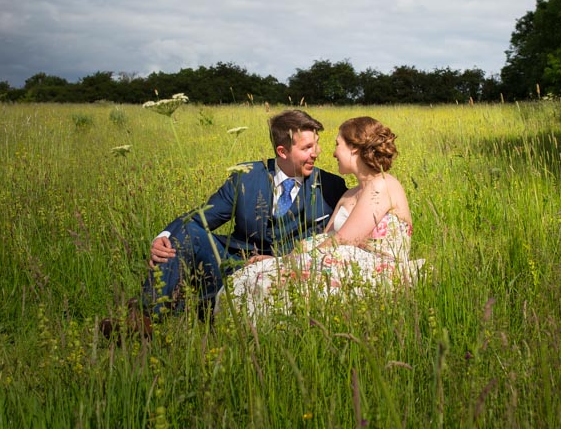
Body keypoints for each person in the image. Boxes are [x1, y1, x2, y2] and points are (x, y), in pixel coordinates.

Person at [117, 109, 347, 332]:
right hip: (233, 262)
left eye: (316, 144)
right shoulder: (246, 177)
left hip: (284, 270)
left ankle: (191, 309)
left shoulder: (331, 186)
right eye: (307, 147)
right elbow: (201, 218)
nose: (316, 152)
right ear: (282, 151)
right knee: (186, 233)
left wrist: (282, 261)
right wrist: (164, 237)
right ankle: (144, 319)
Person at [216, 116, 423, 317]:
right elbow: (324, 239)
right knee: (255, 275)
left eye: (337, 144)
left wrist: (289, 263)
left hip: (372, 269)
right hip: (338, 262)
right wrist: (280, 260)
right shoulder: (348, 195)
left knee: (278, 282)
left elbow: (345, 239)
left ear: (354, 149)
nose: (332, 153)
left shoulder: (383, 184)